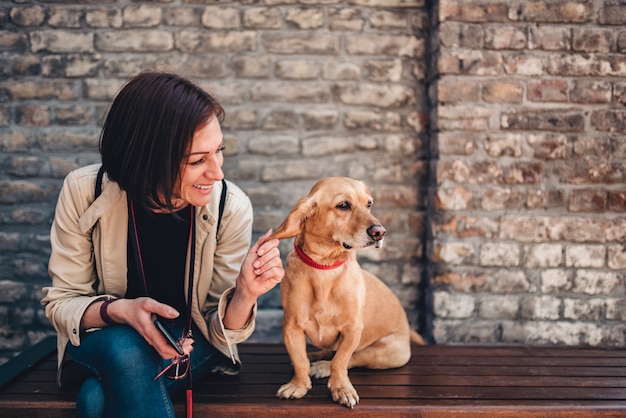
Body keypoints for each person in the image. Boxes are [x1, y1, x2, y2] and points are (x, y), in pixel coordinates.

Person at [41, 71, 285, 418]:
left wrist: (245, 293)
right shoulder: (84, 192)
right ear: (147, 157)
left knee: (95, 401)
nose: (217, 172)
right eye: (197, 160)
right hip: (104, 337)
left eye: (219, 151)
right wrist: (121, 311)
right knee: (125, 345)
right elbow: (62, 304)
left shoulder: (230, 206)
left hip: (189, 341)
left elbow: (221, 331)